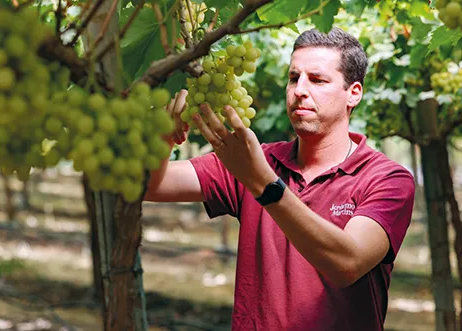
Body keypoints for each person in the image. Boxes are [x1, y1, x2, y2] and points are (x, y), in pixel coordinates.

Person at [144, 27, 415, 331]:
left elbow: (347, 263)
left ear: (353, 93)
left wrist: (263, 184)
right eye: (293, 77)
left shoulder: (387, 178)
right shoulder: (257, 160)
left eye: (317, 80)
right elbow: (153, 184)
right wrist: (162, 140)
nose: (299, 89)